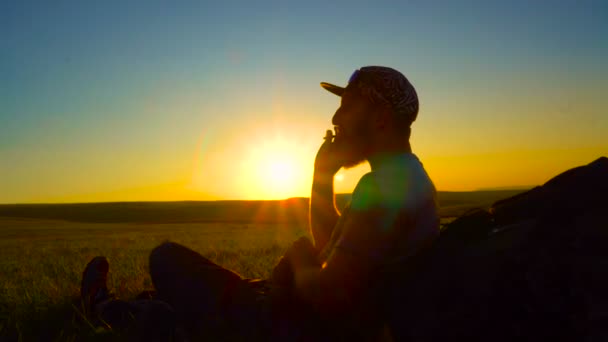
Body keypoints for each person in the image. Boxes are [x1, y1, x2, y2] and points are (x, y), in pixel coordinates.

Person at [79, 66, 440, 341]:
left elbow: (331, 298)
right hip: (301, 318)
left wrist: (299, 263)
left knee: (166, 258)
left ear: (379, 119)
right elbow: (334, 247)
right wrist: (322, 177)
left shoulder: (390, 187)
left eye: (347, 107)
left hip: (290, 327)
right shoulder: (402, 177)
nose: (335, 119)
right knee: (208, 289)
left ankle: (104, 307)